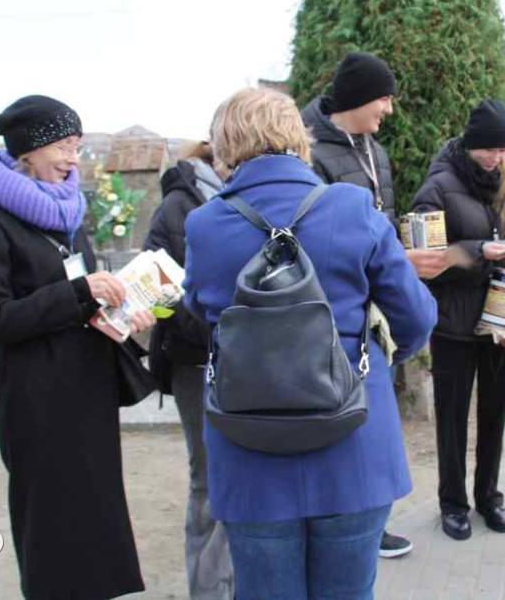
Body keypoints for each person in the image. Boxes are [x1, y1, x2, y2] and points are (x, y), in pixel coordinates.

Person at [181, 88, 436, 599]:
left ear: (227, 144)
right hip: (353, 441)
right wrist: (379, 361)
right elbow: (417, 316)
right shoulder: (353, 206)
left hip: (249, 448)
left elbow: (198, 312)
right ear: (299, 138)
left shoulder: (205, 224)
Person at [0, 95, 155, 599]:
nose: (72, 159)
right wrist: (79, 292)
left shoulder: (67, 217)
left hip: (87, 391)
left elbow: (84, 304)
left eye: (77, 147)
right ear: (28, 149)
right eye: (63, 146)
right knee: (53, 523)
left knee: (96, 517)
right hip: (38, 399)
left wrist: (125, 313)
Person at [301, 50, 442, 556]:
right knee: (337, 411)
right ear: (359, 97)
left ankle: (369, 524)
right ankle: (338, 525)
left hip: (375, 295)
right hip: (331, 307)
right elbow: (313, 234)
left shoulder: (371, 148)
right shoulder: (310, 148)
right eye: (384, 97)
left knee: (371, 416)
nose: (389, 109)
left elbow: (379, 215)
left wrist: (400, 255)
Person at [410, 99, 505, 541]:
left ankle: (489, 497)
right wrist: (476, 252)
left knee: (495, 416)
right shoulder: (437, 187)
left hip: (503, 324)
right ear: (470, 144)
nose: (494, 157)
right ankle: (453, 504)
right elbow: (421, 262)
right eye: (487, 148)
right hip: (453, 324)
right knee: (452, 419)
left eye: (502, 149)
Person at [143, 141, 234, 600]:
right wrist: (212, 327)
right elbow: (154, 288)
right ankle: (209, 590)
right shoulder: (176, 205)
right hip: (194, 362)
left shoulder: (247, 202)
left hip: (242, 360)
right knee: (208, 479)